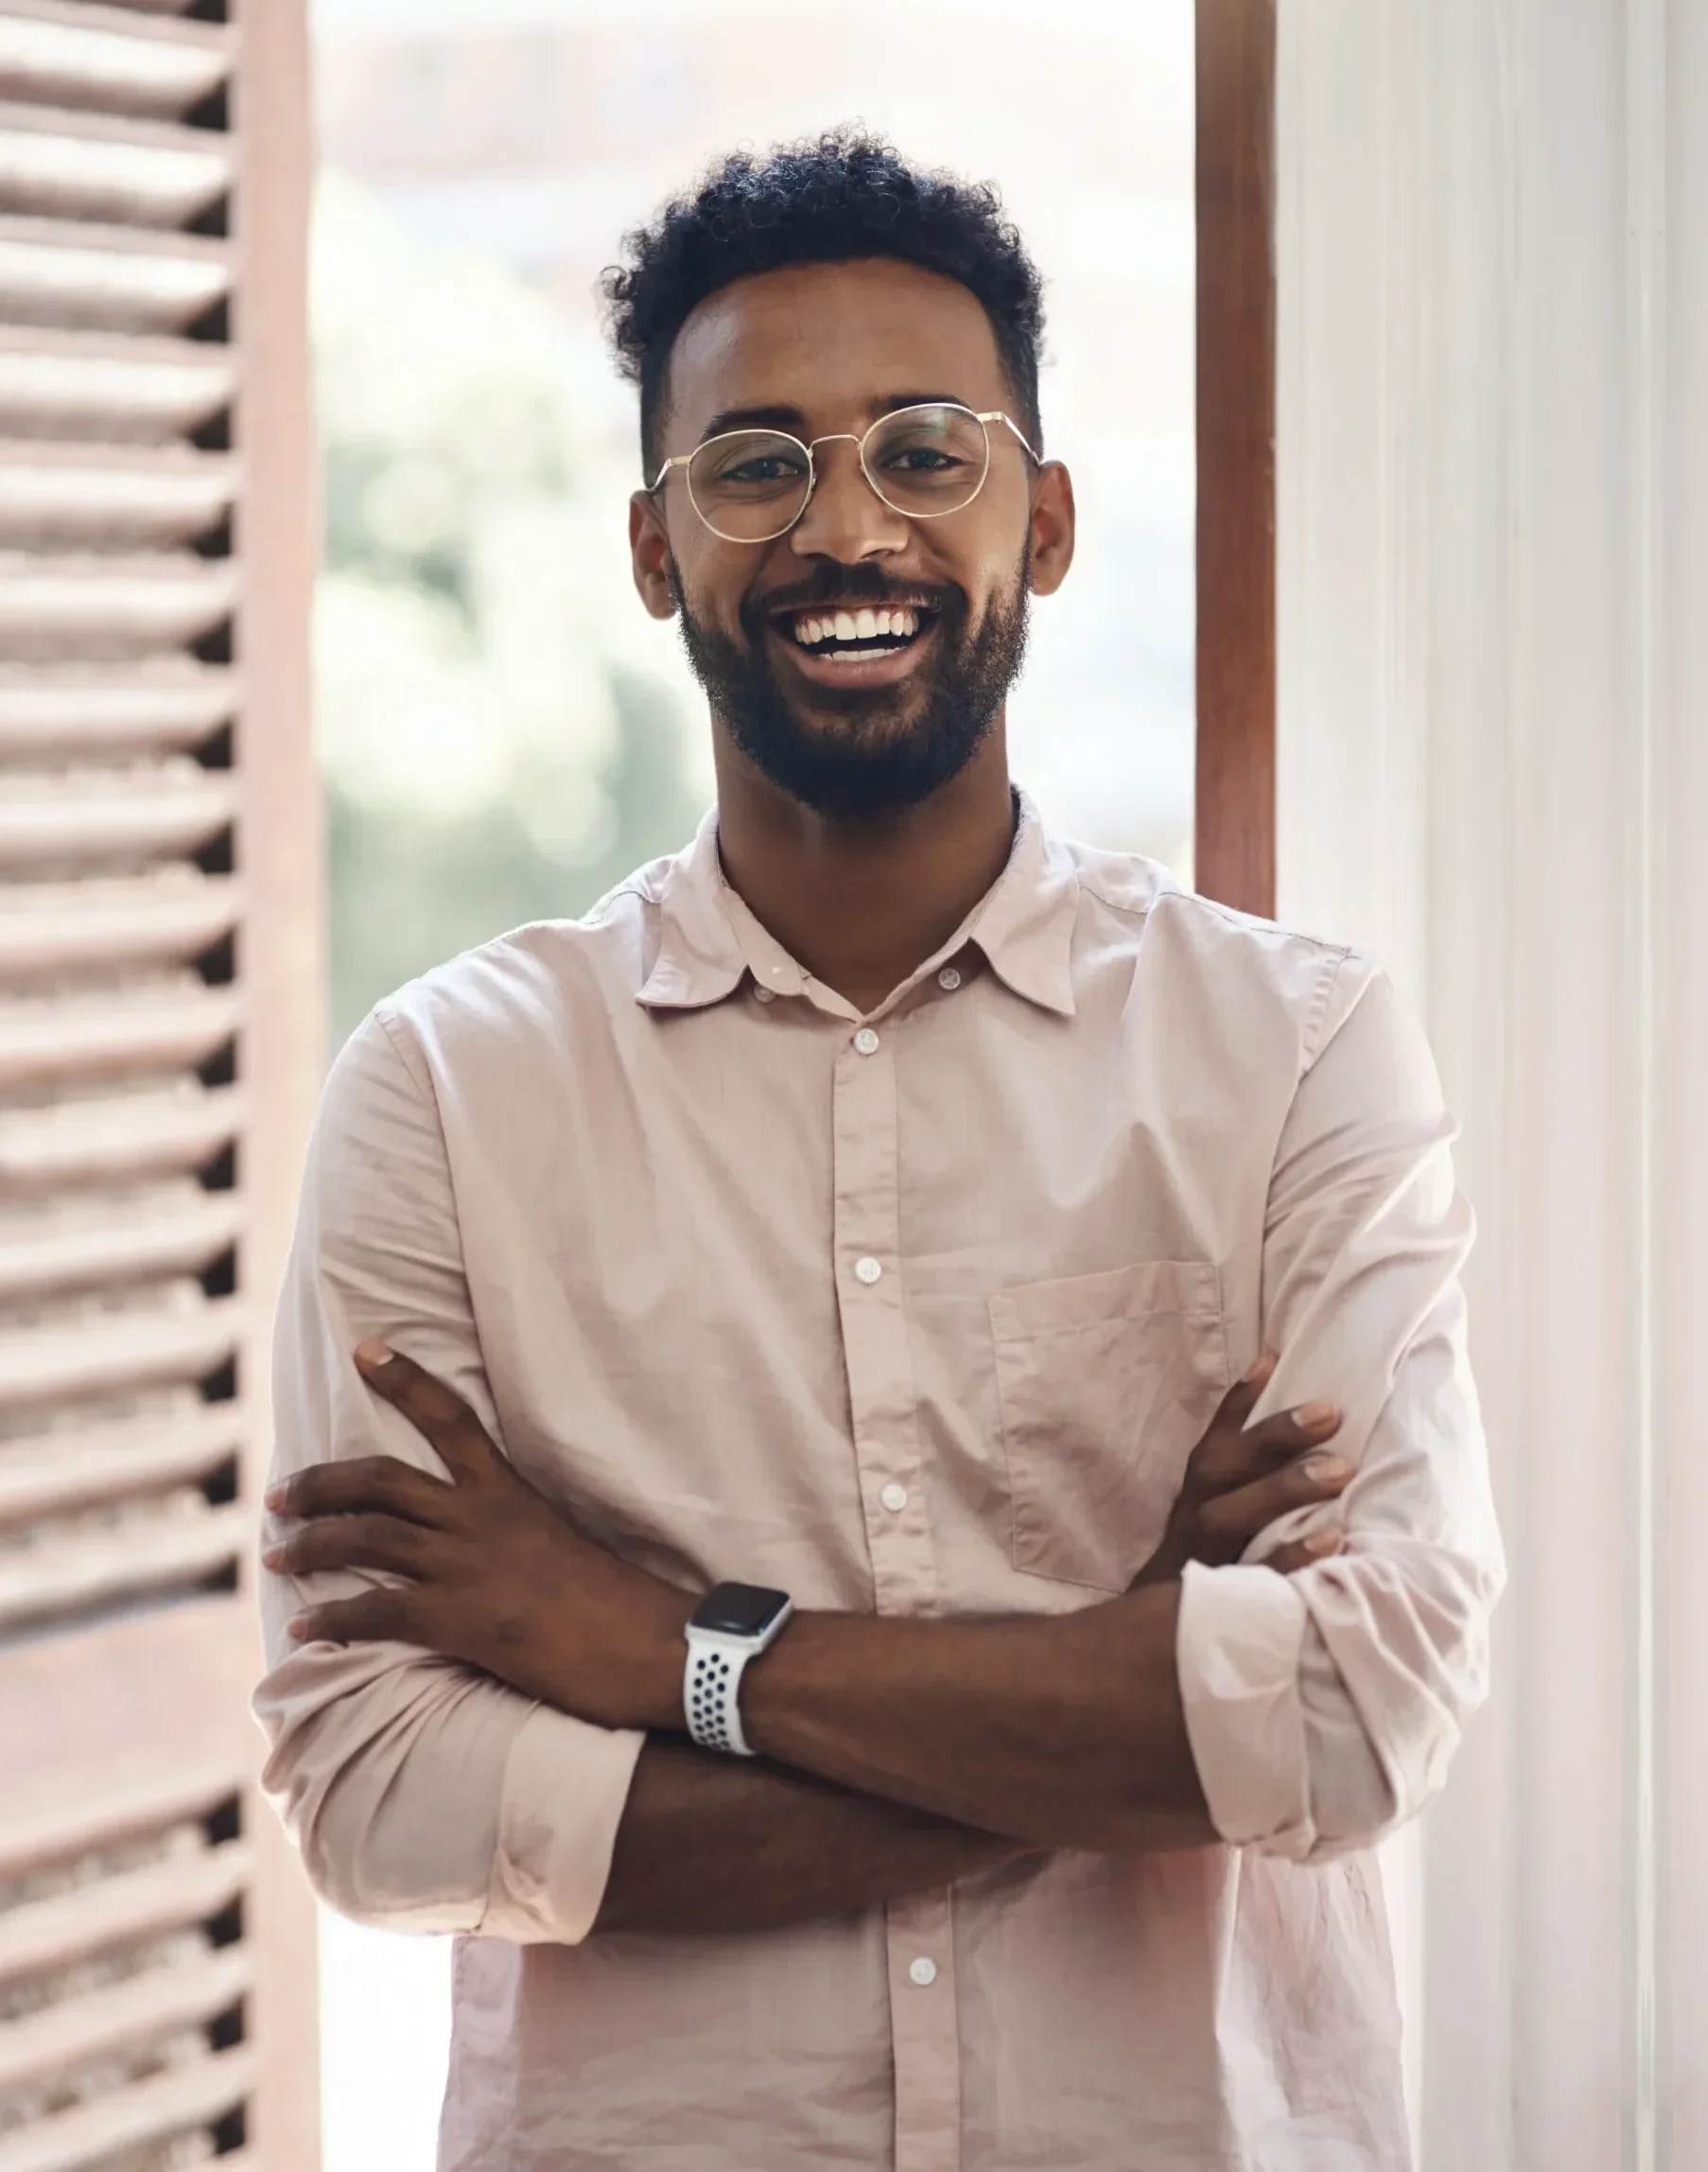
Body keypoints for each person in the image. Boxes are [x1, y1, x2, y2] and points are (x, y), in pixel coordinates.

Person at [254, 130, 1504, 2172]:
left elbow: (1361, 1715)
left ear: (1050, 517)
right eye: (756, 465)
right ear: (657, 550)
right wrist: (1126, 1675)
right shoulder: (445, 1093)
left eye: (928, 452)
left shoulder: (1296, 1053)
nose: (850, 524)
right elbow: (377, 1793)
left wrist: (662, 1655)